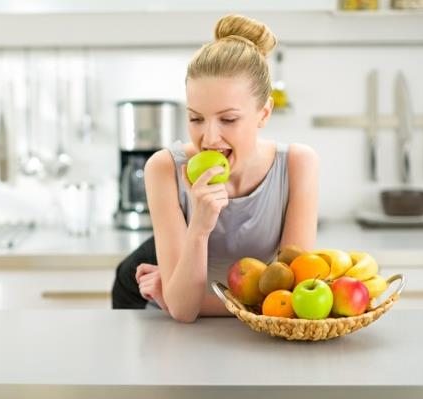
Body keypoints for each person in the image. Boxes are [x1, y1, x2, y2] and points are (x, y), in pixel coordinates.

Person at [111, 14, 319, 322]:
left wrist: (181, 296)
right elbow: (183, 311)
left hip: (189, 303)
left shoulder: (298, 164)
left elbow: (288, 304)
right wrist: (200, 226)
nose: (208, 138)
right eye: (196, 118)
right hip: (147, 303)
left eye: (228, 119)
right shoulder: (164, 168)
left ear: (263, 113)